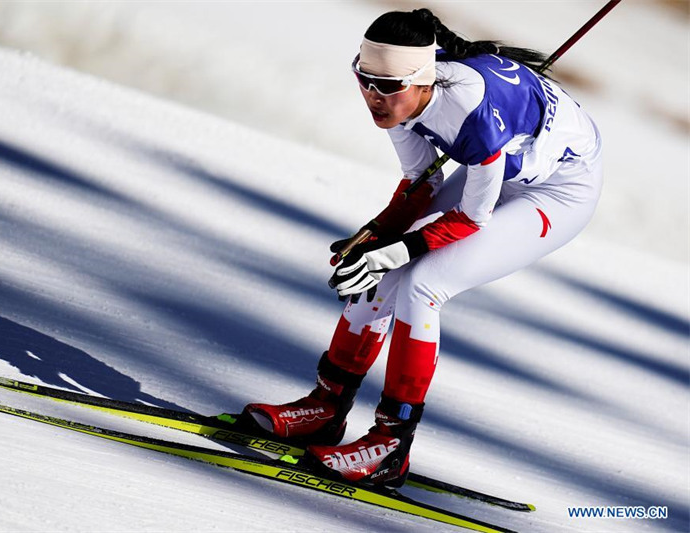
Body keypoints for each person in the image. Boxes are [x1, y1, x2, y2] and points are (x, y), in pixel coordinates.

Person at [243, 7, 603, 488]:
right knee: (382, 272)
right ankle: (326, 408)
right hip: (505, 160)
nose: (373, 95)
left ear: (420, 79)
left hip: (556, 190)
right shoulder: (398, 89)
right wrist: (378, 235)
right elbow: (418, 184)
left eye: (387, 86)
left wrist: (397, 249)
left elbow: (473, 216)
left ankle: (392, 444)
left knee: (422, 284)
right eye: (363, 79)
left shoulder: (468, 113)